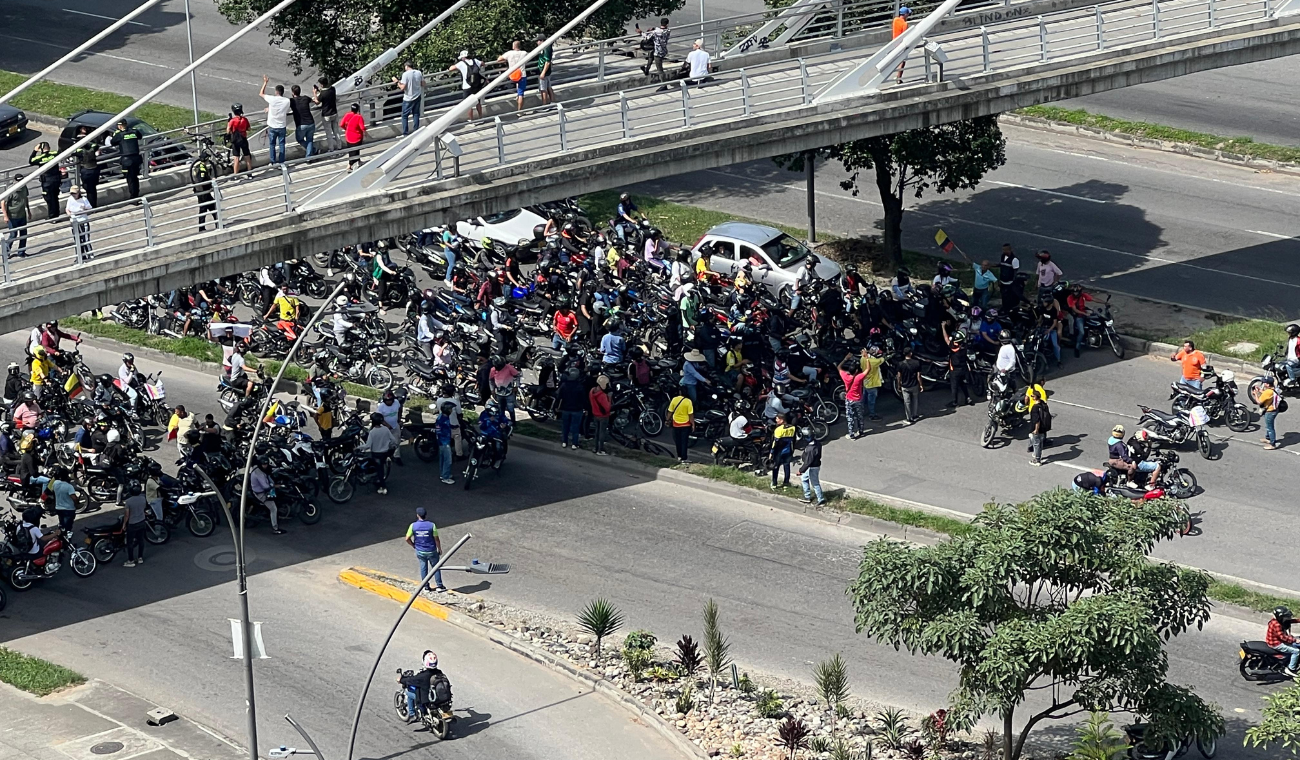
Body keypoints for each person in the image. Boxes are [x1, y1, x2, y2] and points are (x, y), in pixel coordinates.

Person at [406, 507, 445, 591]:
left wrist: (413, 545)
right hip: (432, 550)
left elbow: (407, 538)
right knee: (436, 567)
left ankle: (426, 586)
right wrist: (439, 548)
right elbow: (436, 539)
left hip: (420, 550)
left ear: (417, 515)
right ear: (425, 515)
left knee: (423, 568)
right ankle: (439, 586)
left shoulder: (413, 526)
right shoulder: (432, 525)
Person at [249, 458, 285, 534]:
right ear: (260, 464)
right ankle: (275, 528)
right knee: (273, 509)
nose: (265, 466)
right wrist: (276, 486)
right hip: (261, 493)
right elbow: (266, 486)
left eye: (266, 464)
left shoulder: (258, 468)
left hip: (261, 487)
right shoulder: (260, 474)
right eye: (263, 464)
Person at [261, 76, 291, 164]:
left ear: (276, 92)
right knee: (282, 145)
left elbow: (261, 93)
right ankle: (282, 162)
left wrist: (265, 82)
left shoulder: (272, 99)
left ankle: (272, 162)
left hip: (272, 126)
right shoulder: (287, 101)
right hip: (282, 126)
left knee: (272, 145)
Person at [110, 120, 144, 198]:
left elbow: (113, 142)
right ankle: (136, 193)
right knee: (135, 177)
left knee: (130, 178)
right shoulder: (134, 131)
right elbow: (140, 136)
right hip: (136, 158)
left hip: (127, 160)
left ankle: (133, 196)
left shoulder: (119, 134)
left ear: (120, 126)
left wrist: (115, 134)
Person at [29, 141, 64, 217]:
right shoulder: (54, 154)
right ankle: (56, 215)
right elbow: (61, 152)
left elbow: (31, 161)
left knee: (49, 199)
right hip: (56, 180)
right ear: (49, 148)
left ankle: (52, 216)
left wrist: (35, 150)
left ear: (41, 149)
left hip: (47, 182)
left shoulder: (40, 158)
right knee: (55, 198)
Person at [555, 367, 587, 449]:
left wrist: (557, 406)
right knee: (575, 427)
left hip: (565, 409)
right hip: (577, 410)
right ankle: (574, 443)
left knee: (565, 426)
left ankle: (564, 442)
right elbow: (584, 399)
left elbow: (558, 396)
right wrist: (585, 408)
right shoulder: (580, 386)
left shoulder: (564, 385)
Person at [943, 327, 975, 407]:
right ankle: (968, 398)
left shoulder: (953, 347)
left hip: (954, 370)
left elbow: (946, 339)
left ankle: (954, 402)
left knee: (954, 386)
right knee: (963, 384)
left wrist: (943, 327)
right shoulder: (964, 346)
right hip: (964, 368)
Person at [450, 51, 486, 120]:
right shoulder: (475, 61)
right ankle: (481, 117)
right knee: (478, 102)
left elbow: (451, 69)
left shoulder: (461, 63)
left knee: (469, 105)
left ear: (463, 57)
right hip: (476, 85)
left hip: (467, 86)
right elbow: (483, 64)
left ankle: (471, 119)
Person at [839, 353, 867, 440]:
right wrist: (866, 358)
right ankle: (861, 431)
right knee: (860, 416)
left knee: (850, 417)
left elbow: (839, 367)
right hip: (858, 399)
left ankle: (851, 434)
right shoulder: (858, 377)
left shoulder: (845, 376)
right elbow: (868, 369)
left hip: (849, 399)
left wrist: (845, 359)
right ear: (856, 371)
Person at [367, 412, 397, 495]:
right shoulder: (385, 429)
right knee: (380, 468)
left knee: (379, 469)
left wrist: (359, 448)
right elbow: (393, 440)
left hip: (376, 454)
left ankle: (383, 487)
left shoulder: (372, 432)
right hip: (385, 453)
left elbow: (368, 445)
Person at [1266, 606, 1299, 678]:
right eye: (1285, 616)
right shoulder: (1277, 624)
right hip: (1276, 644)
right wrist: (1295, 640)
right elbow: (1283, 637)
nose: (1287, 618)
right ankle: (1290, 669)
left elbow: (1288, 621)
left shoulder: (1276, 620)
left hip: (1274, 640)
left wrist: (1298, 620)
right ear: (1280, 617)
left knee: (1294, 643)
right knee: (1296, 651)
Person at [394, 60, 425, 135]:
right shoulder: (418, 72)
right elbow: (423, 83)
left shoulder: (405, 74)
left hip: (408, 98)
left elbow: (402, 87)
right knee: (416, 113)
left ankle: (405, 133)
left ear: (407, 66)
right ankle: (416, 130)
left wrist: (396, 82)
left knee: (404, 116)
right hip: (417, 95)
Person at [121, 486, 149, 567]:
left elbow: (127, 515)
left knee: (130, 542)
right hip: (142, 522)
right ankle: (140, 558)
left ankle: (131, 560)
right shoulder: (143, 498)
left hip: (132, 524)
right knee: (141, 540)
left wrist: (124, 524)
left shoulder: (128, 502)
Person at [637, 17, 672, 82]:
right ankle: (646, 69)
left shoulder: (655, 32)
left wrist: (640, 32)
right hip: (663, 51)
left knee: (660, 70)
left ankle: (664, 84)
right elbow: (660, 30)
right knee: (650, 56)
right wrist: (654, 28)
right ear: (667, 24)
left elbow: (646, 37)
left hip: (658, 53)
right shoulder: (668, 31)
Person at [3, 173, 30, 257]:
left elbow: (26, 198)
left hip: (22, 215)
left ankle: (21, 252)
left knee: (23, 234)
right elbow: (3, 202)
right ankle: (6, 251)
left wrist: (28, 211)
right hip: (12, 216)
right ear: (15, 181)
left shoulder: (24, 187)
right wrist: (5, 216)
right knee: (13, 235)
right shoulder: (11, 189)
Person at [498, 41, 529, 112]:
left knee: (517, 90)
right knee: (521, 93)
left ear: (513, 46)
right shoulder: (524, 53)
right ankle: (520, 111)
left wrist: (505, 60)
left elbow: (499, 59)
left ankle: (517, 98)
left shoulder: (509, 53)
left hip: (512, 75)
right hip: (522, 75)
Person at [73, 127, 100, 207]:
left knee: (88, 189)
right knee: (92, 189)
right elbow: (96, 146)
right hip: (94, 170)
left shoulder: (80, 150)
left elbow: (73, 152)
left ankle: (91, 205)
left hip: (87, 171)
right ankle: (93, 205)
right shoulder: (92, 148)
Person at [1257, 376, 1286, 450]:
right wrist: (1261, 391)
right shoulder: (1273, 389)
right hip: (1275, 410)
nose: (1263, 383)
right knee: (1268, 425)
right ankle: (1268, 438)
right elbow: (1269, 395)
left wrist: (1255, 394)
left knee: (1270, 428)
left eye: (1265, 382)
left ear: (1268, 384)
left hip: (1270, 411)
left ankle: (1272, 444)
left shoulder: (1268, 392)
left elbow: (1259, 402)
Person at [191, 154, 217, 232]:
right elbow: (201, 180)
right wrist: (211, 181)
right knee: (204, 209)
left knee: (213, 207)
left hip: (202, 192)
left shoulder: (198, 166)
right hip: (203, 192)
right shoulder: (202, 169)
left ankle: (217, 224)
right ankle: (202, 228)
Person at [313, 79, 340, 152]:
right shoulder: (332, 89)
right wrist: (320, 90)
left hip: (326, 115)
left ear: (321, 84)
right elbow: (327, 92)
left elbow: (317, 102)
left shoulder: (323, 94)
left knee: (329, 134)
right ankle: (339, 147)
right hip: (334, 113)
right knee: (336, 131)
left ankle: (331, 149)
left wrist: (315, 93)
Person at [769, 413, 795, 490]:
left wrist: (771, 452)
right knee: (786, 467)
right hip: (788, 450)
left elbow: (775, 443)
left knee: (775, 467)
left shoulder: (778, 430)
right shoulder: (792, 428)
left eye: (777, 419)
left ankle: (774, 483)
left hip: (779, 452)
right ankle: (786, 483)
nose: (776, 420)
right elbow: (793, 440)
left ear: (782, 420)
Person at [48, 468, 79, 533]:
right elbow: (74, 498)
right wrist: (76, 503)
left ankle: (61, 534)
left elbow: (51, 490)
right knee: (68, 526)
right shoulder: (69, 486)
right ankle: (66, 538)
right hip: (69, 509)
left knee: (62, 522)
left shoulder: (55, 483)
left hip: (58, 508)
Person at [897, 346, 923, 424]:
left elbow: (899, 376)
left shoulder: (900, 364)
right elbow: (918, 376)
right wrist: (921, 385)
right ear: (910, 353)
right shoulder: (917, 363)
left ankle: (909, 418)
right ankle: (915, 415)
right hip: (914, 385)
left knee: (907, 402)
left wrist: (898, 385)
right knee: (915, 400)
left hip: (905, 386)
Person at [288, 84, 316, 157]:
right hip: (311, 122)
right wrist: (315, 93)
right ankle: (310, 155)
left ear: (293, 93)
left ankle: (312, 151)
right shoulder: (305, 98)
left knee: (299, 139)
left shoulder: (291, 101)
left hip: (301, 124)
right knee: (309, 139)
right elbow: (315, 101)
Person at [378, 390, 404, 464]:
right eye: (387, 400)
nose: (389, 402)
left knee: (397, 441)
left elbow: (400, 409)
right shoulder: (381, 407)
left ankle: (396, 456)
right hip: (385, 428)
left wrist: (399, 419)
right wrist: (387, 425)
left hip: (395, 426)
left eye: (390, 400)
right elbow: (379, 418)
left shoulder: (396, 403)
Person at [797, 434, 824, 506]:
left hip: (812, 467)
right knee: (804, 478)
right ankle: (807, 496)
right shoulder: (817, 443)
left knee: (815, 483)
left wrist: (801, 470)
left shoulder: (810, 449)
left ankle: (820, 499)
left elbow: (807, 462)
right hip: (815, 465)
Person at [860, 345, 885, 422]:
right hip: (872, 384)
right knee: (871, 401)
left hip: (865, 382)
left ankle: (860, 412)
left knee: (863, 399)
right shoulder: (874, 361)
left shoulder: (862, 358)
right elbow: (882, 359)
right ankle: (872, 415)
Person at [1027, 386, 1051, 466]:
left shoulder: (1035, 408)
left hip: (1037, 428)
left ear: (1035, 397)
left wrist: (1036, 429)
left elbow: (1036, 420)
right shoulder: (1044, 404)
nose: (1031, 397)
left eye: (1032, 396)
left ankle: (1037, 460)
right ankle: (1037, 455)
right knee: (1040, 443)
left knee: (1036, 443)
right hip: (1044, 428)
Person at [227, 103, 253, 174]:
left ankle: (235, 175)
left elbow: (228, 130)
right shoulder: (245, 119)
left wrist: (229, 122)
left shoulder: (232, 121)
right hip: (243, 138)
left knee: (236, 158)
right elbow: (249, 129)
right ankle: (249, 173)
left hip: (235, 140)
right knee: (247, 156)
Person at [668, 390, 693, 464]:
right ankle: (684, 458)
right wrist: (693, 424)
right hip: (686, 424)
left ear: (679, 392)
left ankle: (679, 456)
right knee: (684, 442)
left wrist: (667, 420)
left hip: (676, 424)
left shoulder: (674, 399)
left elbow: (670, 412)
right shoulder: (688, 401)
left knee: (678, 441)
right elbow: (691, 415)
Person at [66, 187, 92, 257]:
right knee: (77, 239)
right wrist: (70, 215)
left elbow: (90, 208)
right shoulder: (70, 199)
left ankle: (90, 254)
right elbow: (67, 209)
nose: (73, 195)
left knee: (85, 238)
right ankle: (80, 256)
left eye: (74, 193)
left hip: (83, 220)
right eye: (72, 193)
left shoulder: (84, 199)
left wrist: (83, 209)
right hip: (74, 221)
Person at [434, 402, 456, 484]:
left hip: (445, 441)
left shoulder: (445, 417)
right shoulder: (441, 419)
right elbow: (438, 431)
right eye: (450, 409)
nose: (451, 411)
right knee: (448, 460)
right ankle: (445, 477)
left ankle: (443, 474)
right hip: (444, 442)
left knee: (443, 459)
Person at [340, 103, 366, 170]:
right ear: (358, 110)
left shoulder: (347, 115)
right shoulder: (359, 117)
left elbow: (341, 124)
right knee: (355, 151)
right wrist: (365, 129)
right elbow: (362, 128)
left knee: (351, 151)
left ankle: (358, 161)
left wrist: (346, 129)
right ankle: (350, 164)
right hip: (357, 137)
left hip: (348, 136)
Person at [891, 7, 911, 83]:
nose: (908, 15)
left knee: (897, 60)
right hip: (901, 44)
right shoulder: (905, 24)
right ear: (905, 14)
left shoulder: (895, 20)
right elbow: (905, 35)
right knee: (902, 61)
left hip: (894, 42)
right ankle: (899, 78)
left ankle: (898, 77)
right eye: (908, 14)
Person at [535, 34, 554, 106]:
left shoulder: (546, 47)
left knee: (543, 89)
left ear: (542, 41)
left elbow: (547, 61)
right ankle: (552, 102)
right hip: (546, 71)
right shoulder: (546, 47)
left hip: (543, 70)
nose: (537, 43)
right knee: (548, 87)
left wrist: (543, 72)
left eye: (538, 41)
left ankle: (544, 105)